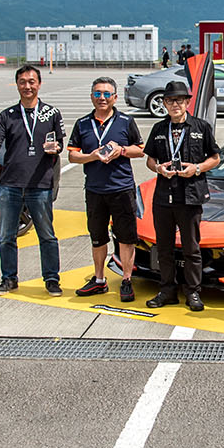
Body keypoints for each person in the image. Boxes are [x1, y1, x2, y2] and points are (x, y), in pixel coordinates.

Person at [0, 65, 65, 296]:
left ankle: (52, 279)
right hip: (11, 185)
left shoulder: (51, 113)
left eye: (31, 81)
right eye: (23, 82)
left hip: (40, 185)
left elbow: (60, 144)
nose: (27, 86)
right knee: (7, 236)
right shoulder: (8, 115)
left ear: (39, 83)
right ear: (17, 85)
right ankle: (8, 279)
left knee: (46, 235)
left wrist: (56, 148)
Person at [143, 79, 220, 311]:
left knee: (191, 248)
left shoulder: (201, 127)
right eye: (170, 100)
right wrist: (158, 169)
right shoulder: (158, 129)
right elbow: (149, 159)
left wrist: (196, 169)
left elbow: (215, 158)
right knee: (163, 248)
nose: (175, 104)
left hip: (190, 196)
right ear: (164, 104)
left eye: (179, 100)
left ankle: (193, 292)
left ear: (188, 102)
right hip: (163, 197)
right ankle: (167, 291)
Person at [68, 76, 144, 301]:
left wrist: (121, 150)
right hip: (95, 189)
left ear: (115, 97)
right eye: (98, 94)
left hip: (121, 188)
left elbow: (140, 150)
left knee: (126, 237)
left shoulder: (126, 121)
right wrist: (91, 156)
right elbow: (72, 155)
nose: (102, 98)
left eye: (106, 94)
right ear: (92, 96)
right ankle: (99, 279)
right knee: (97, 236)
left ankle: (127, 280)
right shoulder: (82, 123)